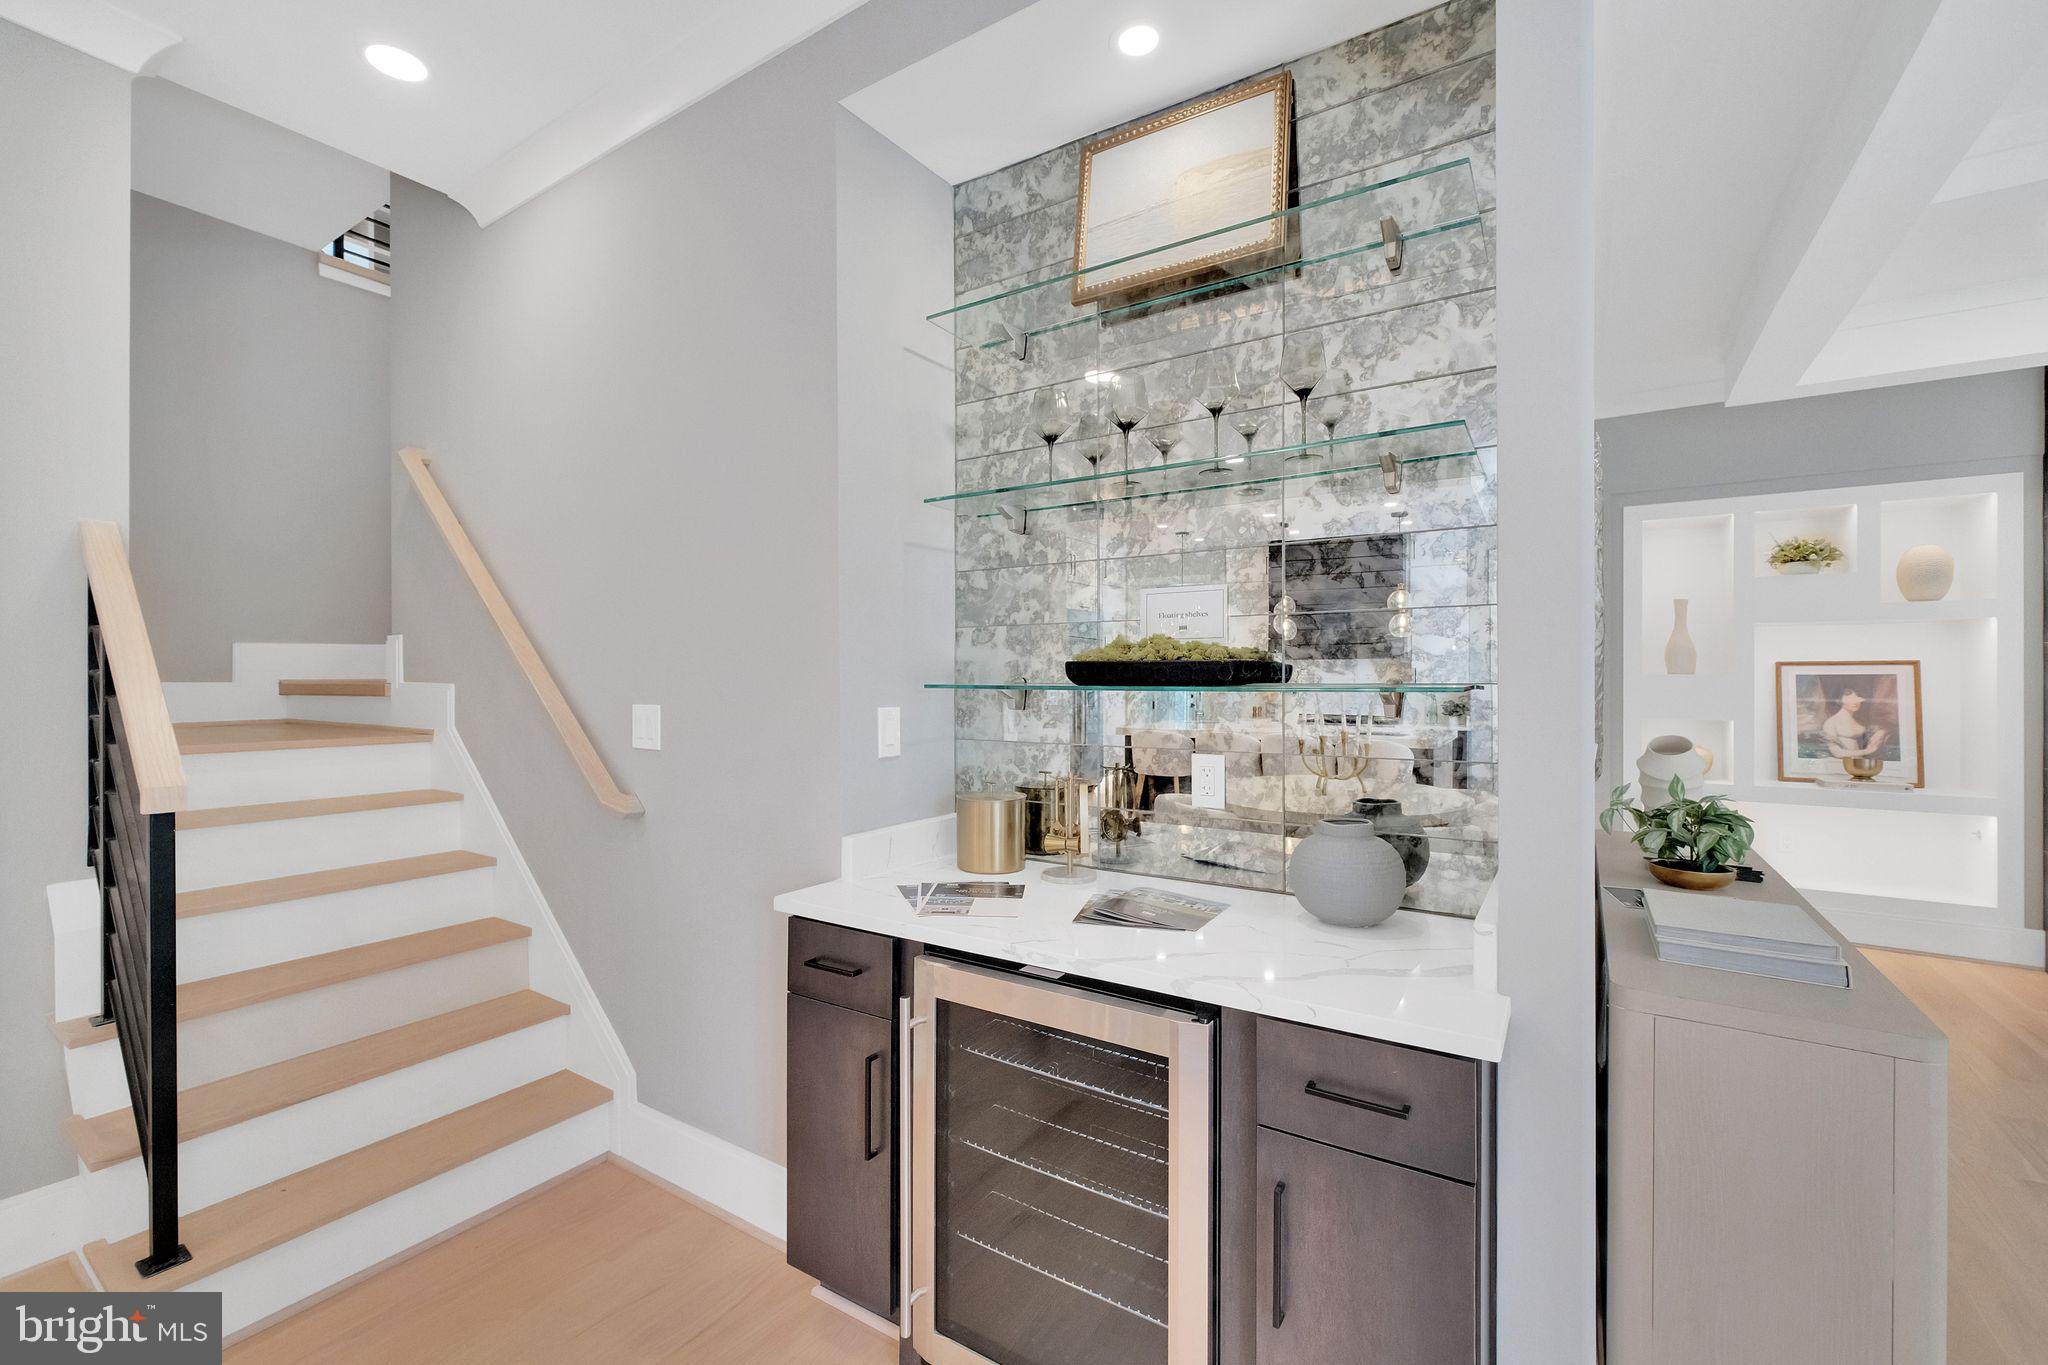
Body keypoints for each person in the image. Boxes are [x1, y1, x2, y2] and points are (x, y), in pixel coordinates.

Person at [1819, 685, 1888, 759]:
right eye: (1850, 699)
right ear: (1839, 701)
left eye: (1856, 699)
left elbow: (1873, 735)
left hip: (1861, 762)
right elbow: (1837, 752)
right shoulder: (1831, 723)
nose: (1855, 702)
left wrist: (1882, 732)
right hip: (1842, 763)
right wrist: (1867, 751)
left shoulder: (1860, 721)